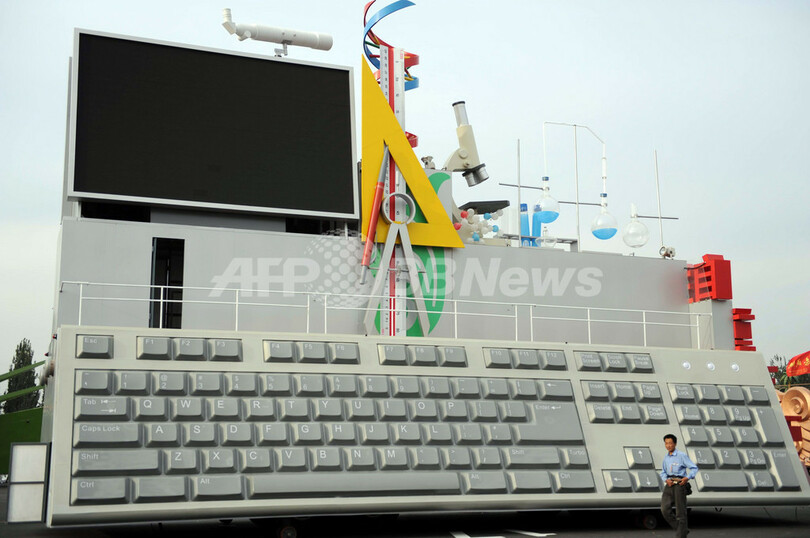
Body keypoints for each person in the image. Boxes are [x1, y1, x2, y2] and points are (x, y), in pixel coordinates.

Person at [660, 433, 698, 537]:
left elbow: (694, 468)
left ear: (675, 444)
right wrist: (666, 479)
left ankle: (681, 534)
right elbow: (663, 472)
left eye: (670, 443)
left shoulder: (682, 456)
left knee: (680, 513)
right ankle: (683, 529)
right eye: (666, 443)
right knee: (664, 509)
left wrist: (687, 478)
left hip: (679, 484)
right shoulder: (666, 458)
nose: (668, 445)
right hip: (669, 484)